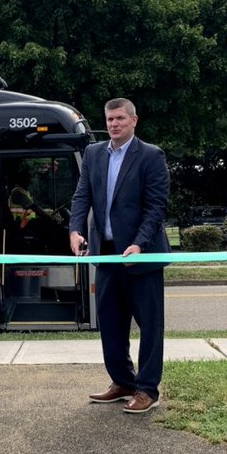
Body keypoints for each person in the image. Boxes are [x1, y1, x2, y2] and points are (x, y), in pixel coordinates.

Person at [69, 98, 170, 415]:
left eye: (120, 118)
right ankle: (123, 382)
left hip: (143, 255)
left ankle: (147, 389)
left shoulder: (151, 156)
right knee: (111, 325)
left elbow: (156, 208)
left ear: (134, 120)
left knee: (150, 327)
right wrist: (75, 230)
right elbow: (82, 195)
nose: (114, 124)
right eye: (110, 119)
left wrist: (139, 244)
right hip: (107, 254)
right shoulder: (93, 154)